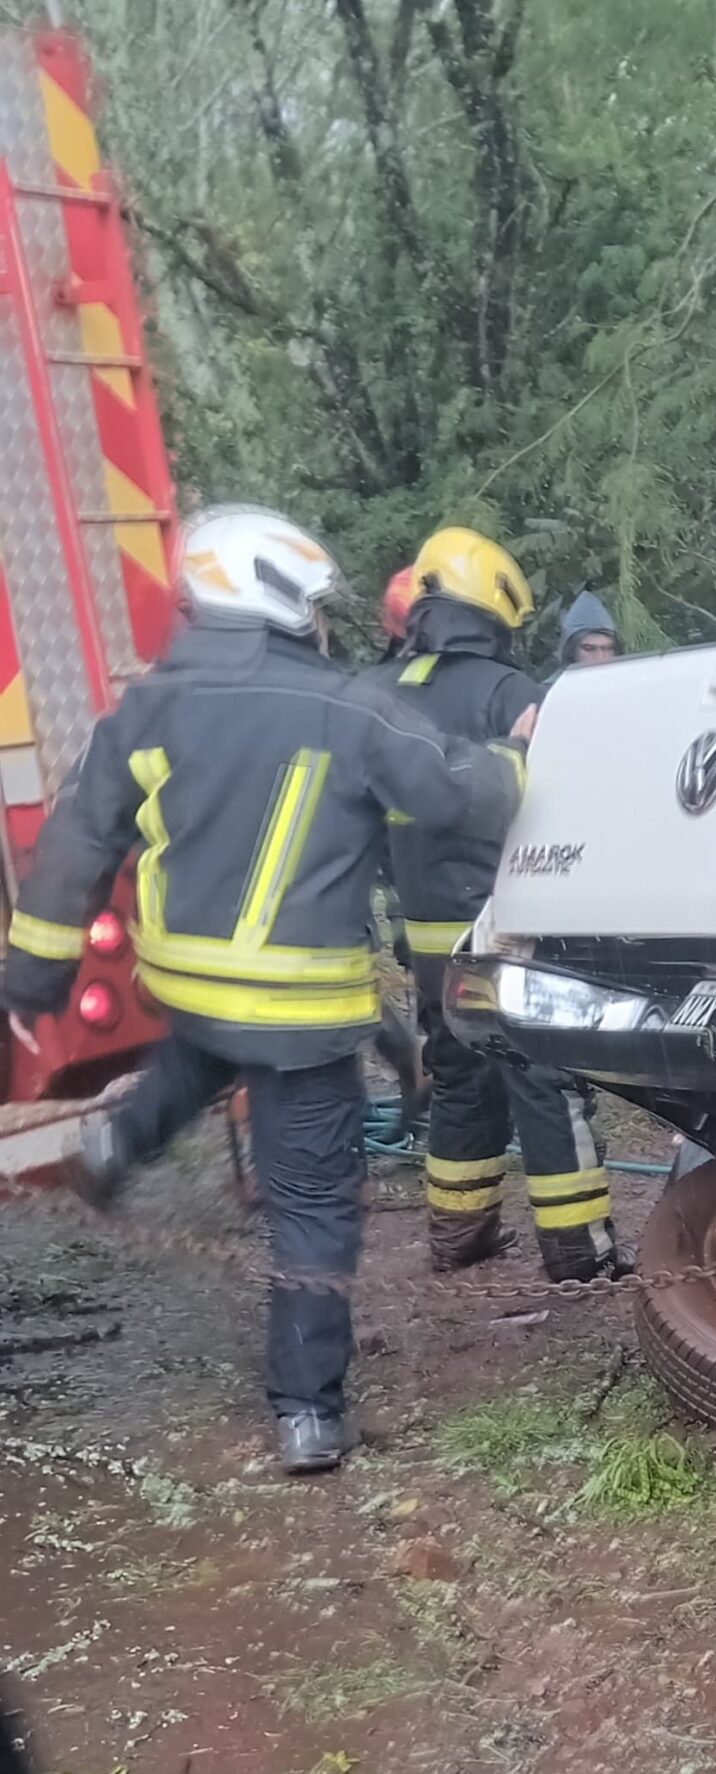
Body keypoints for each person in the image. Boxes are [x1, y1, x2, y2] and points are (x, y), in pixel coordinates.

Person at [0, 504, 528, 1475]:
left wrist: (33, 976)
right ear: (280, 600)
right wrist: (519, 757)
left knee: (200, 1050)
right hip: (302, 1017)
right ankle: (308, 1416)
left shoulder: (150, 707)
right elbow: (458, 791)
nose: (322, 624)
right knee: (313, 1208)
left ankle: (121, 1139)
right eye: (314, 605)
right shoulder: (349, 709)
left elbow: (76, 843)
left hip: (192, 989)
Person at [375, 527, 624, 1282]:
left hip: (423, 935)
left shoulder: (380, 695)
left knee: (458, 1073)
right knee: (543, 1077)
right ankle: (579, 1253)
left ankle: (459, 1235)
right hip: (506, 929)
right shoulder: (514, 696)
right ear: (494, 609)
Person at [556, 587, 620, 669]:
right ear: (571, 652)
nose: (600, 658)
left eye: (608, 648)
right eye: (589, 649)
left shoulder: (630, 677)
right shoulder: (556, 678)